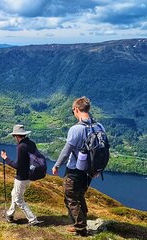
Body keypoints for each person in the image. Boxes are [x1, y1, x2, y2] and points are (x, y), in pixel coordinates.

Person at [52, 96, 105, 237]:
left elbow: (66, 152)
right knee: (80, 196)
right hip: (90, 171)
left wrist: (56, 165)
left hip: (75, 170)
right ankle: (81, 223)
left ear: (76, 109)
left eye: (73, 111)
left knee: (70, 197)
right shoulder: (99, 126)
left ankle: (81, 229)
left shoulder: (76, 129)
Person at [0, 124, 42, 226]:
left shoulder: (21, 147)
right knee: (14, 194)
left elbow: (18, 165)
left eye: (14, 136)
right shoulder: (31, 143)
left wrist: (6, 158)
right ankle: (10, 214)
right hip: (30, 175)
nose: (14, 138)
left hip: (22, 178)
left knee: (18, 199)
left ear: (17, 136)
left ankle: (33, 219)